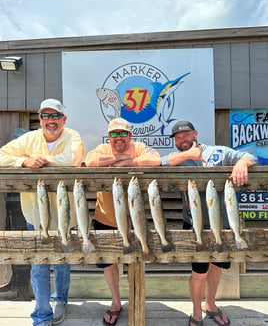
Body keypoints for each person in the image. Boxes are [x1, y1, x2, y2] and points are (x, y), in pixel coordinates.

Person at [161, 120, 257, 326]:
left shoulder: (219, 152)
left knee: (216, 267)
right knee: (198, 272)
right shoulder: (177, 159)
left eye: (186, 135)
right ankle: (196, 311)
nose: (182, 140)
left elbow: (251, 156)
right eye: (177, 137)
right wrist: (186, 156)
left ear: (195, 133)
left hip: (223, 224)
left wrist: (241, 163)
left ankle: (210, 304)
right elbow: (155, 164)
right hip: (195, 225)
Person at [0, 98, 84, 326]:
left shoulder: (72, 136)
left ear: (63, 119)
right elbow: (1, 156)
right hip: (35, 217)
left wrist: (43, 160)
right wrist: (24, 162)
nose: (51, 120)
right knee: (38, 265)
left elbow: (74, 159)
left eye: (55, 116)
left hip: (65, 217)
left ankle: (61, 300)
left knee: (62, 262)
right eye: (46, 116)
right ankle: (42, 315)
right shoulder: (29, 138)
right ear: (40, 119)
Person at [85, 117, 160, 325]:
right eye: (114, 134)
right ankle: (116, 302)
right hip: (104, 219)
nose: (119, 138)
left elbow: (155, 160)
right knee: (109, 265)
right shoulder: (101, 148)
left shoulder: (139, 147)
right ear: (109, 137)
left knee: (135, 261)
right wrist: (117, 159)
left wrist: (131, 161)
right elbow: (90, 162)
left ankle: (136, 301)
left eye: (123, 134)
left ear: (130, 135)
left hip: (135, 221)